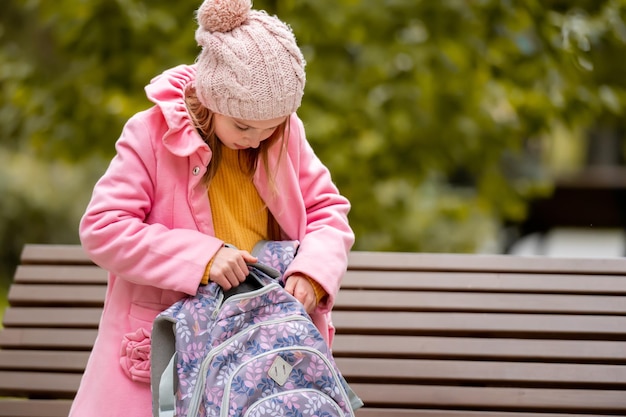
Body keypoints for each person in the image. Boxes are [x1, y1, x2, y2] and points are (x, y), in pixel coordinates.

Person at [68, 0, 354, 415]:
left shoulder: (283, 134)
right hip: (174, 342)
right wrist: (202, 257)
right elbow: (103, 227)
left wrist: (313, 273)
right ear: (211, 98)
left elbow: (328, 209)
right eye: (243, 126)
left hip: (260, 341)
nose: (256, 139)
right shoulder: (151, 134)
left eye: (269, 128)